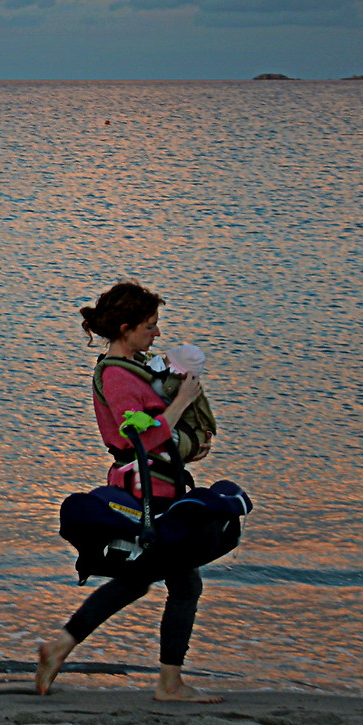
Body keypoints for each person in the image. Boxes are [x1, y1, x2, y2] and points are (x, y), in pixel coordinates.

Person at [35, 280, 223, 703]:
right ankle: (166, 682)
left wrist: (186, 449)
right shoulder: (117, 376)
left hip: (159, 483)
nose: (157, 334)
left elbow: (153, 438)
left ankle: (66, 648)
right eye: (150, 326)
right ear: (126, 328)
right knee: (169, 582)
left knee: (162, 580)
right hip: (147, 491)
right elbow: (132, 440)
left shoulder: (134, 368)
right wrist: (181, 403)